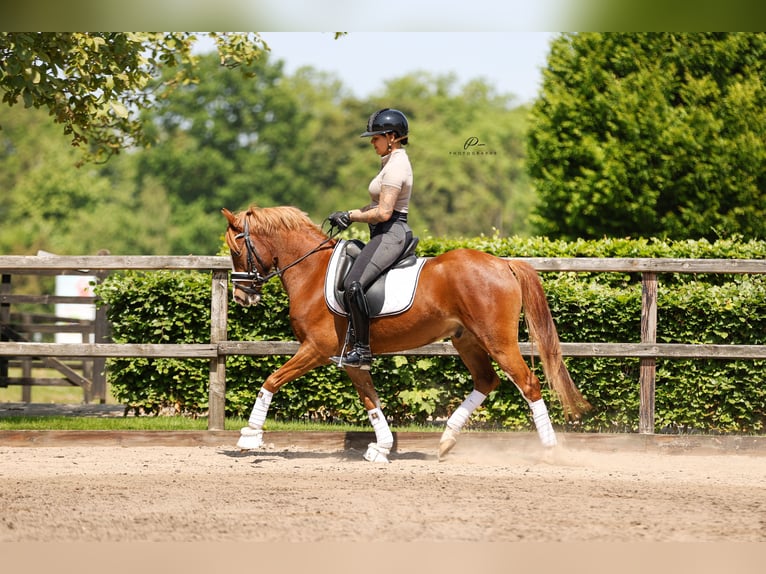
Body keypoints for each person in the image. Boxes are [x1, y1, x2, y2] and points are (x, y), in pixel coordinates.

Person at [328, 108, 414, 370]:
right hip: (382, 232)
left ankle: (362, 351)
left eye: (375, 137)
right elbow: (374, 205)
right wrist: (347, 213)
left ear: (391, 136)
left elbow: (385, 212)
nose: (371, 142)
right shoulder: (389, 162)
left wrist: (351, 216)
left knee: (353, 283)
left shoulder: (397, 166)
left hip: (391, 233)